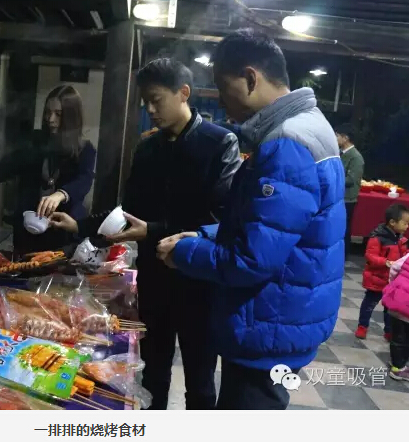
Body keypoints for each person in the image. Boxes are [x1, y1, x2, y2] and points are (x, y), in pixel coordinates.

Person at [156, 29, 345, 410]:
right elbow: (277, 226)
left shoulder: (286, 142)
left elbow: (252, 259)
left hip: (270, 322)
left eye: (223, 88)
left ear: (250, 78)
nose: (222, 101)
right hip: (286, 312)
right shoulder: (311, 125)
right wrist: (206, 234)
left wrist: (184, 253)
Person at [50, 58, 242, 410]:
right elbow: (127, 211)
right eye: (145, 103)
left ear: (183, 93)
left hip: (199, 281)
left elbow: (220, 218)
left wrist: (152, 229)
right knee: (153, 373)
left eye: (156, 100)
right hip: (155, 278)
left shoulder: (219, 143)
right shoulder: (148, 148)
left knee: (200, 380)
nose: (150, 110)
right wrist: (80, 226)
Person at [0, 85, 96, 255]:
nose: (50, 119)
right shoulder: (36, 141)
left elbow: (84, 180)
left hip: (63, 236)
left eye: (58, 114)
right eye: (48, 112)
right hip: (27, 235)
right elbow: (7, 165)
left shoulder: (85, 150)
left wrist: (61, 194)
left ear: (71, 117)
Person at [356, 204, 409, 340]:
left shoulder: (402, 239)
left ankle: (389, 331)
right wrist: (385, 262)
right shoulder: (377, 237)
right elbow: (370, 255)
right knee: (369, 304)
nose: (407, 226)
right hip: (377, 278)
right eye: (405, 223)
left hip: (392, 281)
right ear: (392, 222)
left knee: (390, 308)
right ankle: (362, 326)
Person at [336, 123, 365, 259]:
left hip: (348, 199)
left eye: (337, 136)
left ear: (345, 138)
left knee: (344, 228)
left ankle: (344, 255)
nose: (335, 138)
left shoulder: (356, 157)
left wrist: (332, 177)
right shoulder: (340, 153)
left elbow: (351, 180)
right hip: (338, 196)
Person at [382, 249, 409, 380]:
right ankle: (398, 368)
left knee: (397, 336)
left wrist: (394, 284)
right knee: (405, 339)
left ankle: (396, 363)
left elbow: (394, 267)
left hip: (397, 301)